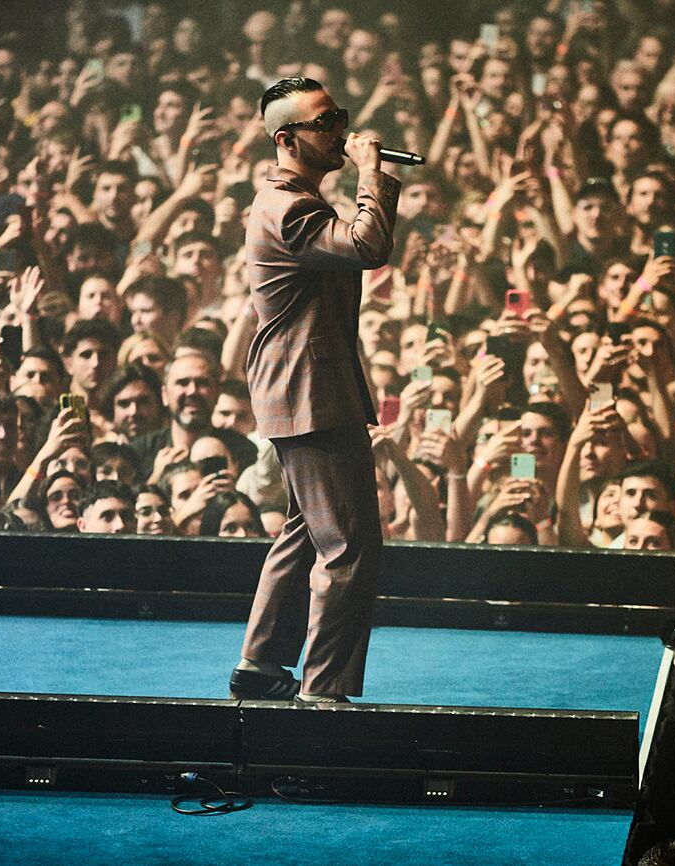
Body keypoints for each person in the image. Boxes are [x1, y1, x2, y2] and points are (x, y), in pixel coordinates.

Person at [230, 77, 400, 704]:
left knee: (307, 528)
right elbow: (368, 245)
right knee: (350, 546)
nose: (340, 130)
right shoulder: (289, 207)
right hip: (308, 393)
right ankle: (323, 692)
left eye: (340, 118)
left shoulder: (294, 197)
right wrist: (372, 172)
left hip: (309, 387)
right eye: (325, 123)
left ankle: (261, 663)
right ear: (286, 139)